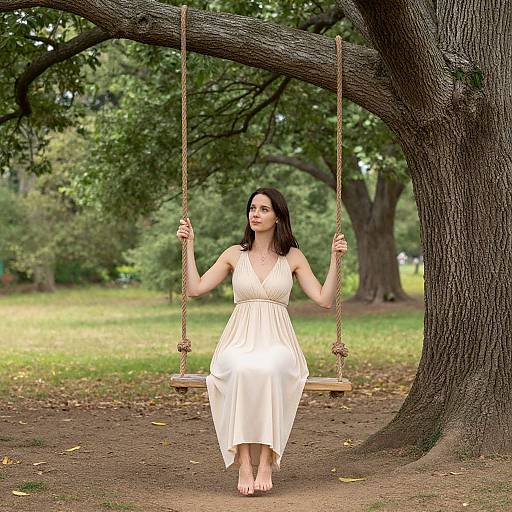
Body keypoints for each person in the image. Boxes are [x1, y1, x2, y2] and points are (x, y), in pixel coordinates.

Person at [176, 187, 348, 496]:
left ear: (278, 216)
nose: (255, 214)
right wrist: (189, 246)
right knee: (239, 369)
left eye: (264, 209)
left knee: (270, 369)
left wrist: (335, 259)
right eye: (252, 208)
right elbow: (195, 288)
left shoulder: (292, 257)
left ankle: (267, 460)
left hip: (278, 339)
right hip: (238, 338)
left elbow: (324, 299)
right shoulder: (234, 254)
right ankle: (244, 463)